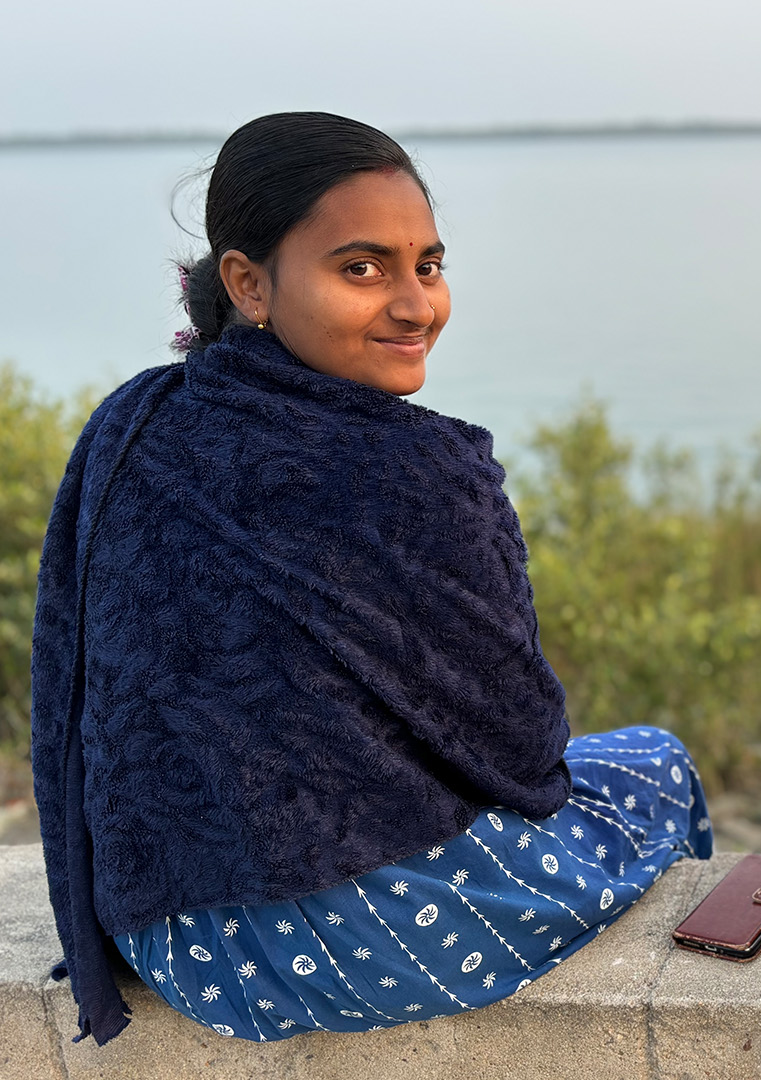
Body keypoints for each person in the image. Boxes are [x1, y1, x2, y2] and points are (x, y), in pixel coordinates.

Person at [31, 112, 710, 1046]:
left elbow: (78, 699)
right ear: (248, 283)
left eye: (426, 265)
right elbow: (524, 755)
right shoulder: (416, 469)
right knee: (653, 768)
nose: (414, 304)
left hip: (171, 938)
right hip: (353, 943)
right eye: (361, 269)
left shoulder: (133, 424)